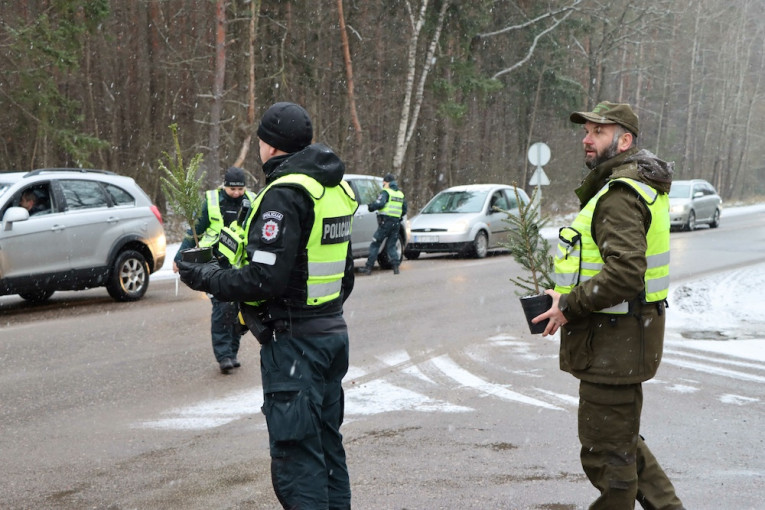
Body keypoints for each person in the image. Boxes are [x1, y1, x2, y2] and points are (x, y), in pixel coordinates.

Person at [177, 101, 357, 510]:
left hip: (296, 348)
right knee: (328, 451)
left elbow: (263, 279)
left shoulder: (285, 194)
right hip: (330, 335)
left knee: (298, 462)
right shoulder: (334, 188)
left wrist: (203, 277)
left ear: (269, 145)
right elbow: (344, 276)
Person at [533, 101, 685, 510]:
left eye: (598, 131)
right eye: (587, 130)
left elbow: (625, 274)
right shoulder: (633, 184)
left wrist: (568, 305)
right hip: (623, 342)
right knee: (626, 447)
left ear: (625, 140)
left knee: (608, 459)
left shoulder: (620, 193)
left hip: (613, 347)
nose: (586, 138)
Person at [173, 166, 255, 374]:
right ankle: (223, 355)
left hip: (240, 264)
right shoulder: (211, 202)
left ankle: (233, 352)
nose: (236, 193)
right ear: (224, 186)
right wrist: (179, 256)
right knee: (222, 309)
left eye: (240, 189)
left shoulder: (252, 200)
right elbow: (195, 231)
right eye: (232, 190)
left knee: (237, 309)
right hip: (215, 264)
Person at [358, 173, 407, 275]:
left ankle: (368, 267)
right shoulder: (400, 194)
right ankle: (395, 267)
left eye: (384, 183)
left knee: (375, 244)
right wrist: (397, 217)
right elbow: (404, 210)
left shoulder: (386, 192)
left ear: (387, 183)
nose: (383, 185)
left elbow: (380, 204)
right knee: (391, 246)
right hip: (396, 223)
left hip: (385, 222)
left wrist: (371, 206)